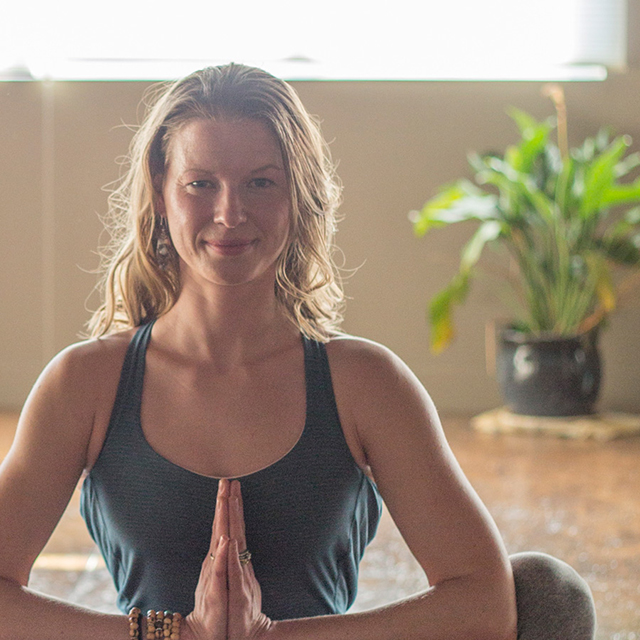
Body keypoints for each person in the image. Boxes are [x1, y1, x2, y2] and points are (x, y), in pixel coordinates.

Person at [0, 63, 595, 640]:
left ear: (298, 195)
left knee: (547, 594)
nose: (229, 213)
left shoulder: (366, 382)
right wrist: (172, 634)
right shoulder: (86, 383)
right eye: (200, 183)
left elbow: (486, 601)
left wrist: (275, 637)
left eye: (261, 182)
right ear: (161, 192)